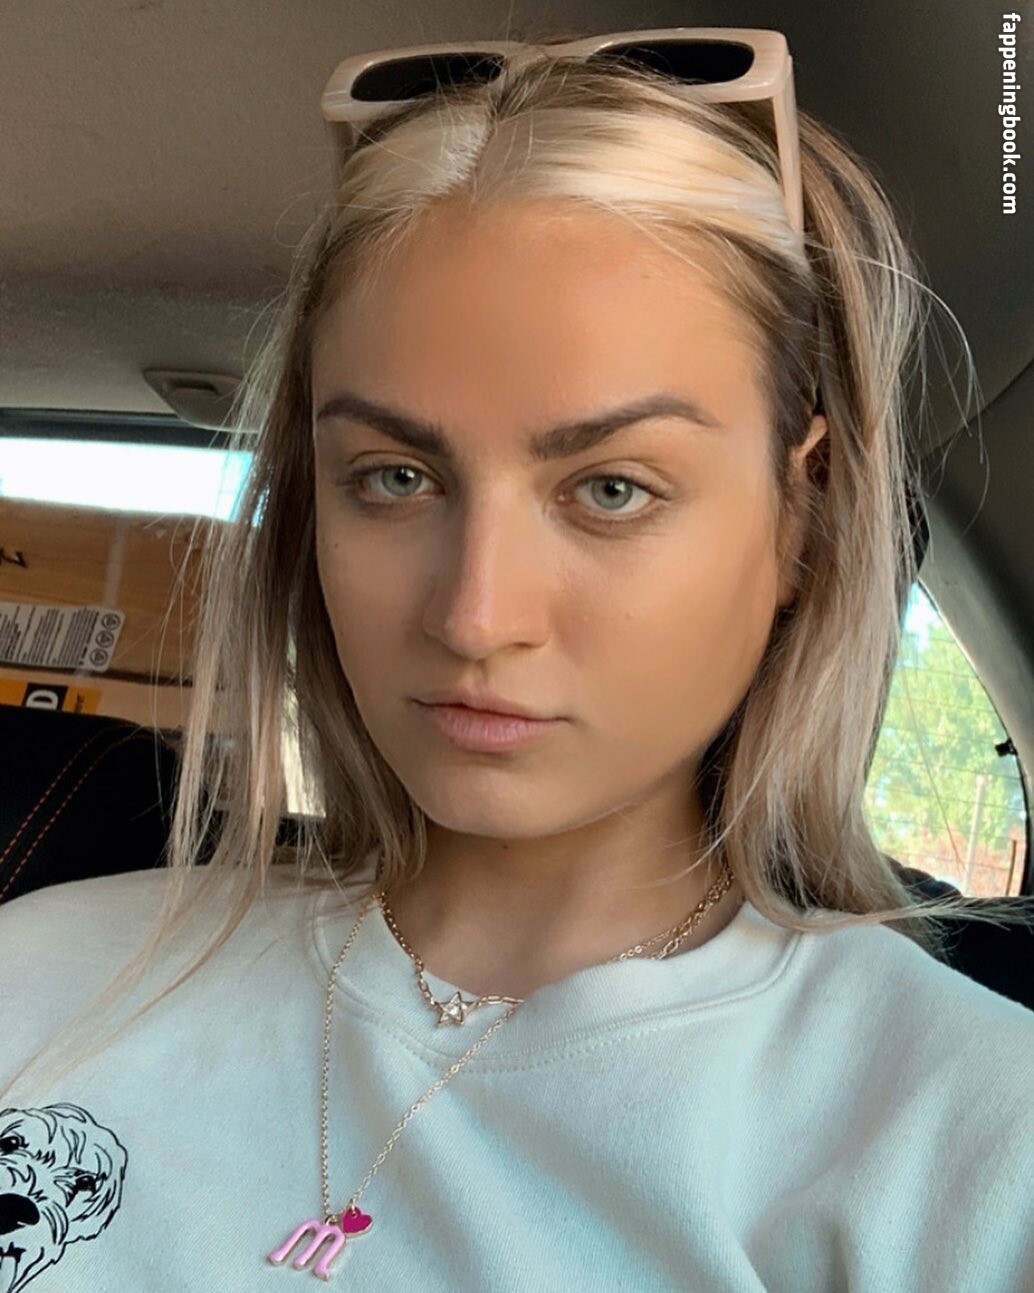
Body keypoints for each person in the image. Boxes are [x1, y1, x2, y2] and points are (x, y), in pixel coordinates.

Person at [1, 26, 1032, 1293]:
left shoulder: (971, 1142)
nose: (475, 615)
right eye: (393, 478)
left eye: (611, 488)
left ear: (798, 523)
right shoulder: (39, 972)